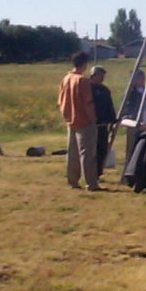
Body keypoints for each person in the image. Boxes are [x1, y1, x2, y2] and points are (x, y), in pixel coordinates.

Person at [58, 51, 102, 191]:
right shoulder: (82, 80)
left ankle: (73, 181)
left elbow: (60, 101)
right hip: (84, 121)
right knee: (87, 154)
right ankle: (91, 183)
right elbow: (88, 102)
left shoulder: (66, 78)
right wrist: (92, 119)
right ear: (84, 64)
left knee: (72, 154)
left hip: (70, 120)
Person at [122, 69, 146, 166]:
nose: (143, 80)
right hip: (135, 121)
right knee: (133, 145)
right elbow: (128, 107)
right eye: (140, 78)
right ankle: (129, 166)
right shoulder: (131, 92)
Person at [90, 65, 117, 176]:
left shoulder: (105, 90)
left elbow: (109, 106)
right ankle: (89, 172)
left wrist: (112, 121)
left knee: (102, 149)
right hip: (90, 125)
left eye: (103, 76)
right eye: (100, 75)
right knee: (91, 150)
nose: (102, 78)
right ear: (93, 75)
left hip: (103, 125)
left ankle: (98, 172)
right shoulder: (87, 88)